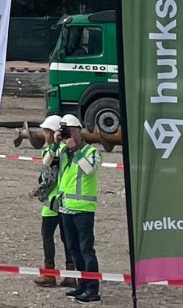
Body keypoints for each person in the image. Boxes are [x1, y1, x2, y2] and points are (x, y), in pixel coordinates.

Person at [56, 113, 101, 302]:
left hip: (83, 209)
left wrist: (77, 150)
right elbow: (48, 161)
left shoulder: (91, 152)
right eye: (65, 132)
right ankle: (81, 284)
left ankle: (92, 288)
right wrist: (55, 142)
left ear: (79, 131)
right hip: (66, 207)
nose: (68, 135)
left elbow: (89, 170)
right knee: (73, 249)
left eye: (71, 131)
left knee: (86, 250)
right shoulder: (64, 151)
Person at [32, 114, 74, 288]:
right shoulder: (68, 149)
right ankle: (71, 274)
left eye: (46, 131)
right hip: (66, 202)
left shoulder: (56, 149)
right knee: (67, 238)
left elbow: (48, 171)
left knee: (48, 236)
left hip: (52, 203)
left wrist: (36, 192)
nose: (44, 134)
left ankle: (50, 275)